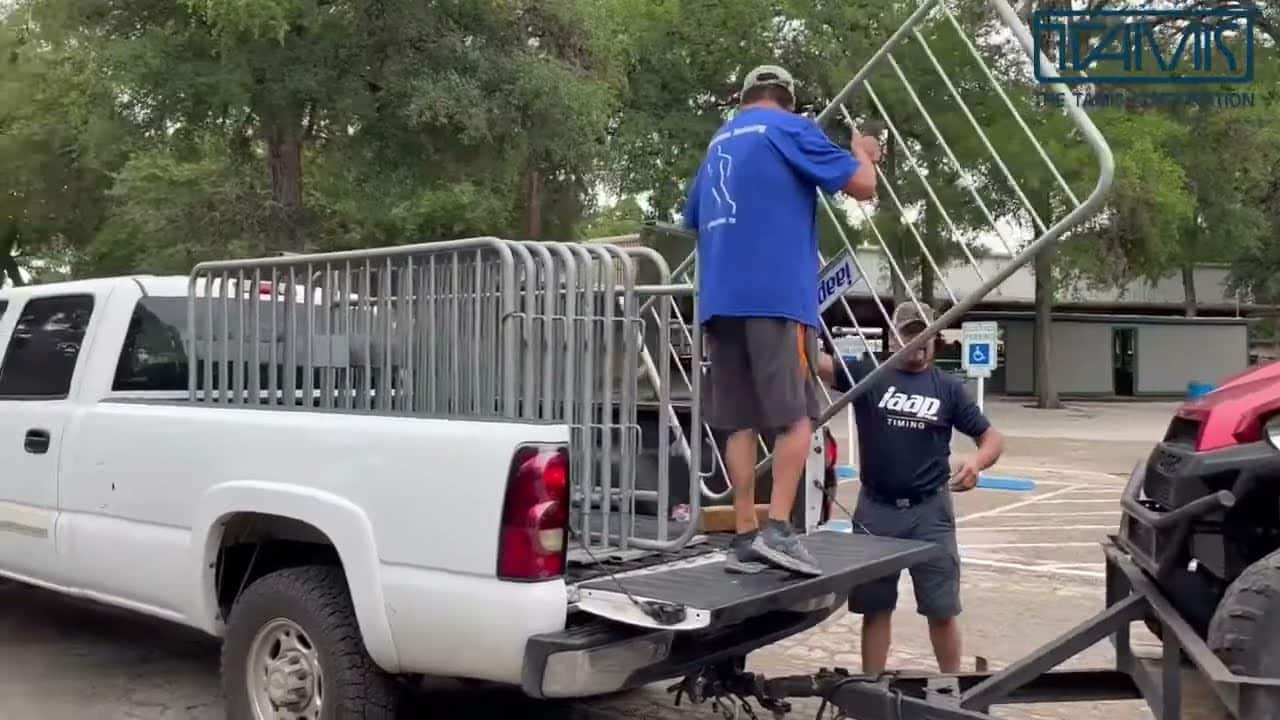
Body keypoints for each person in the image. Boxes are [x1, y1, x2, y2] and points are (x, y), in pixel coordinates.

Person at [682, 64, 881, 577]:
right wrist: (863, 152)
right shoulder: (792, 129)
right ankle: (780, 531)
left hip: (720, 301)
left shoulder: (719, 143)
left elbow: (692, 217)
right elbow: (863, 186)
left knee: (740, 420)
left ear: (745, 97)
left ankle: (745, 534)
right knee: (798, 416)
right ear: (788, 99)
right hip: (776, 298)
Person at [817, 304, 1005, 674]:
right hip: (875, 512)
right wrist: (795, 321)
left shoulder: (948, 388)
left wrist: (977, 462)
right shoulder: (869, 375)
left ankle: (951, 688)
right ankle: (871, 687)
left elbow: (992, 438)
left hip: (930, 514)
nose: (917, 341)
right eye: (908, 333)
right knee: (875, 609)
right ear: (893, 337)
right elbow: (812, 361)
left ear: (935, 337)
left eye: (925, 332)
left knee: (942, 609)